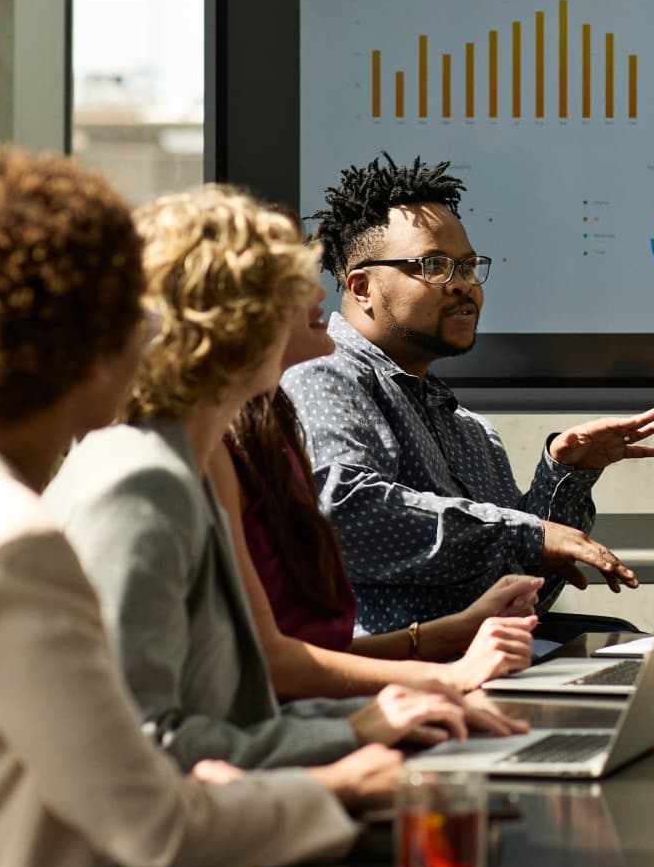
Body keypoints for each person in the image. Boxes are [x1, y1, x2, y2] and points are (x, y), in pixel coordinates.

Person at [0, 148, 400, 867]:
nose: (151, 336)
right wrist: (329, 792)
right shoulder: (11, 545)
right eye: (132, 317)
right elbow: (153, 828)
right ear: (88, 349)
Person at [45, 184, 504, 770]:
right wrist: (361, 735)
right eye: (290, 280)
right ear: (228, 313)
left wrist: (403, 708)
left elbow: (252, 695)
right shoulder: (141, 484)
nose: (321, 291)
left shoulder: (193, 458)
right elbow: (141, 747)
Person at [282, 152, 654, 638]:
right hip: (394, 683)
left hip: (488, 664)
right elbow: (344, 513)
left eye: (468, 267)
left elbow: (525, 596)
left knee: (631, 645)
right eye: (435, 266)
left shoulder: (471, 430)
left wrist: (566, 475)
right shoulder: (325, 372)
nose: (464, 286)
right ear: (362, 287)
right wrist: (530, 535)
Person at [212, 297, 547, 698]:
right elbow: (267, 666)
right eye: (288, 273)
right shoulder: (217, 447)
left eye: (468, 267)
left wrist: (452, 633)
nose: (317, 291)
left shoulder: (267, 426)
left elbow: (299, 652)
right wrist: (447, 676)